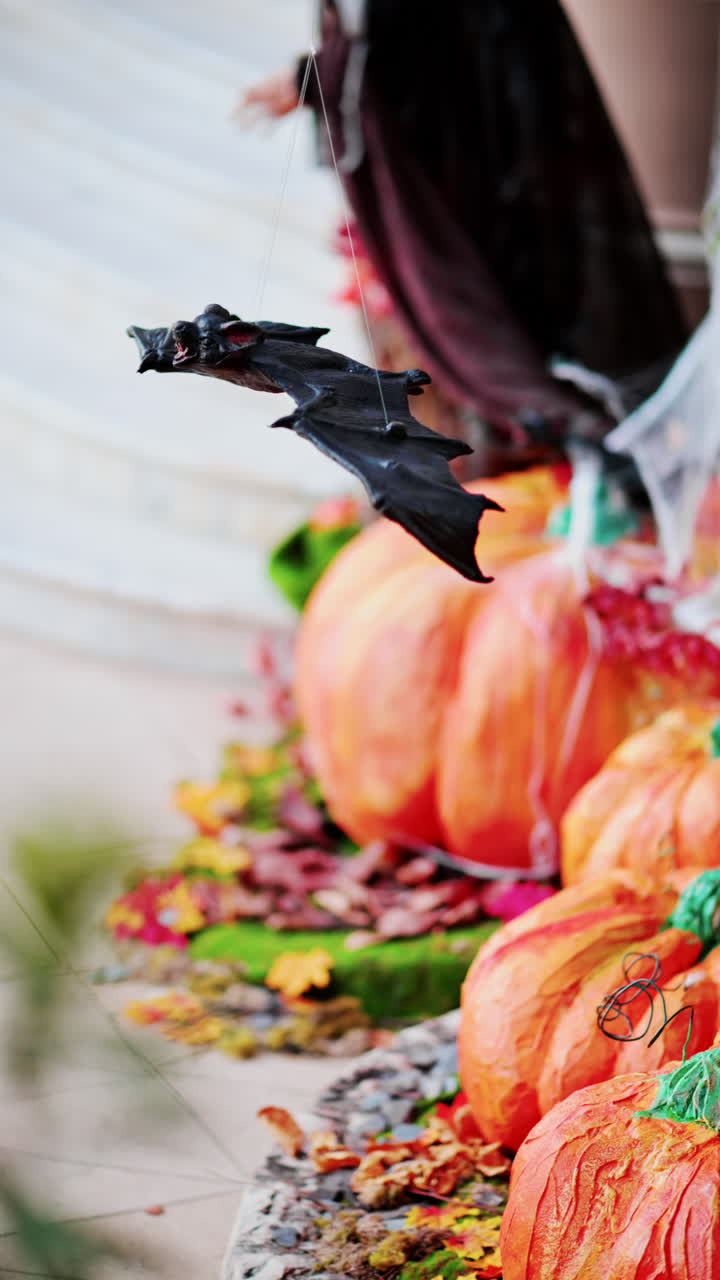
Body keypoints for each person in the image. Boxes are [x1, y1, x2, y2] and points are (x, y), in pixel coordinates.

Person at [242, 0, 689, 475]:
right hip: (467, 175)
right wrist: (317, 75)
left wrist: (321, 75)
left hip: (493, 186)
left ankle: (616, 460)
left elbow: (412, 45)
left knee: (535, 350)